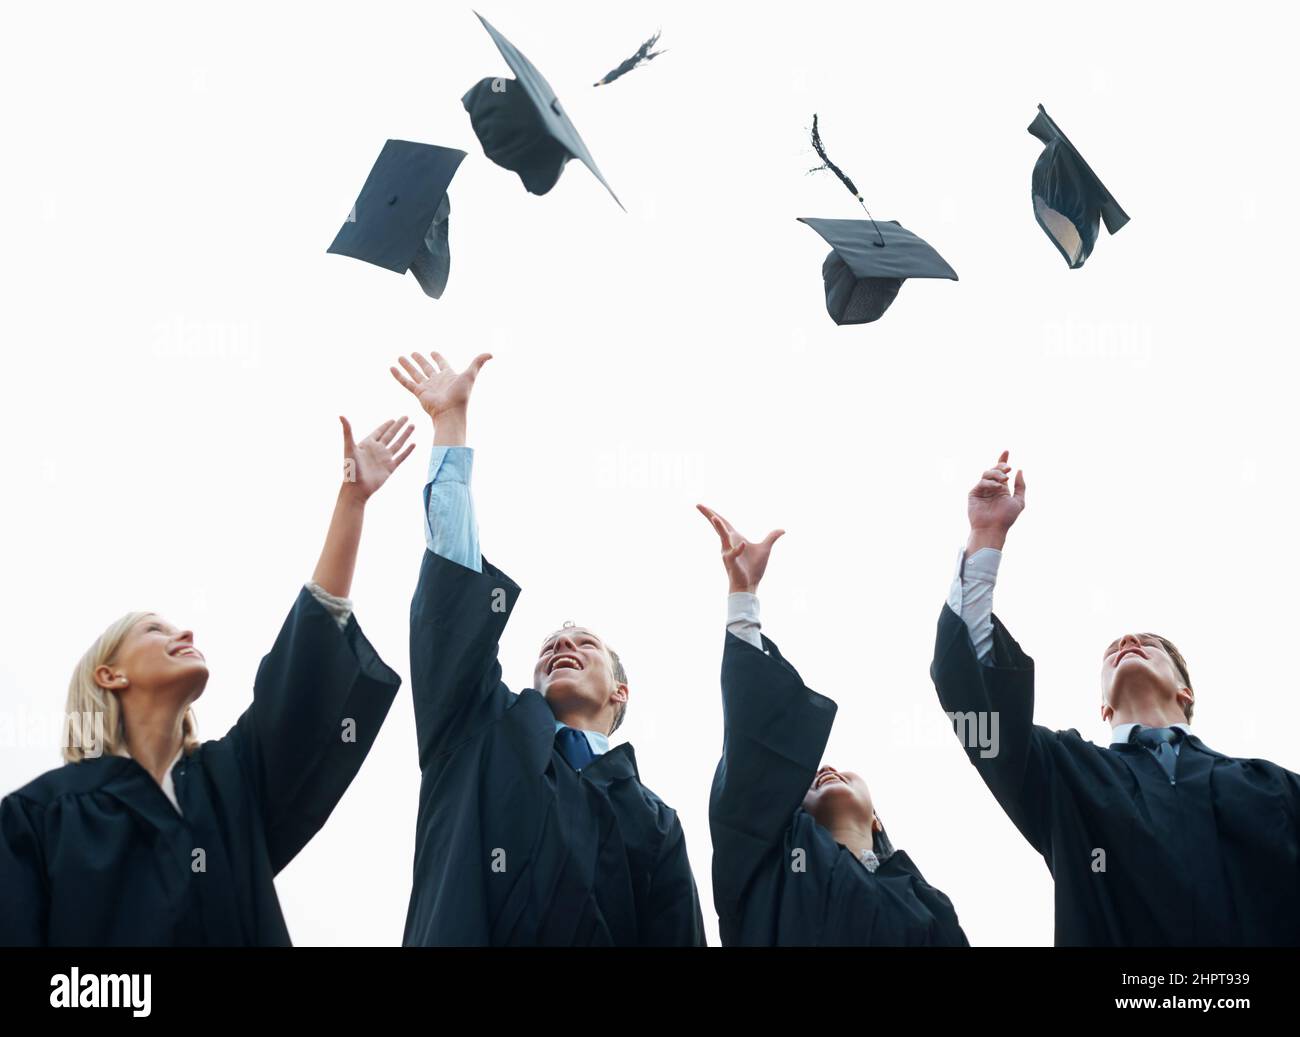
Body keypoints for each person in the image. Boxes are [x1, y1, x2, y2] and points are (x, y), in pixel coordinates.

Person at [0, 415, 413, 945]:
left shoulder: (231, 783)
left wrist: (351, 502)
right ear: (110, 674)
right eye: (155, 629)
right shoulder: (41, 818)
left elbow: (303, 673)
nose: (185, 630)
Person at [391, 350, 705, 946]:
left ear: (620, 690)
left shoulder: (655, 822)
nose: (562, 643)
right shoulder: (477, 729)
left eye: (584, 643)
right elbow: (452, 595)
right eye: (551, 644)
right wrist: (450, 427)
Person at [932, 450, 1300, 946]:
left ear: (1184, 689)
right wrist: (986, 538)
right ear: (1103, 707)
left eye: (1150, 645)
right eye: (1113, 650)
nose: (1128, 642)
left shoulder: (1271, 788)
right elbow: (973, 702)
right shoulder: (1064, 774)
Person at [701, 504, 968, 946]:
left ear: (877, 820)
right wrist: (743, 595)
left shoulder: (928, 908)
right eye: (803, 784)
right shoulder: (769, 872)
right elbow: (752, 759)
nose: (825, 770)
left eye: (842, 772)